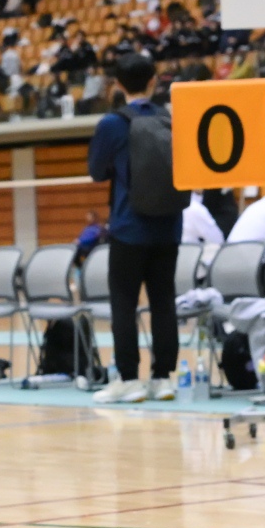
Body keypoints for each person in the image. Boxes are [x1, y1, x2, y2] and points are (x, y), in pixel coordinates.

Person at [86, 52, 183, 403]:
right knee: (164, 302)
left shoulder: (112, 124)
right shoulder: (171, 119)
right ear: (153, 82)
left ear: (117, 85)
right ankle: (163, 378)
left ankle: (128, 379)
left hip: (129, 226)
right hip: (169, 225)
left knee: (124, 304)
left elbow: (97, 172)